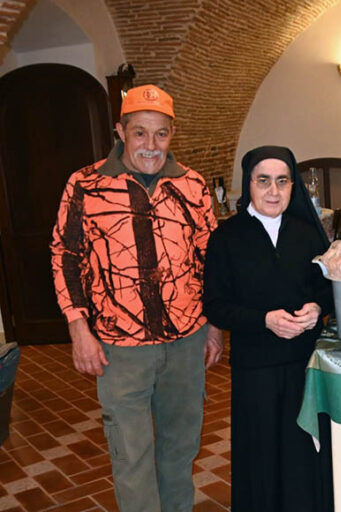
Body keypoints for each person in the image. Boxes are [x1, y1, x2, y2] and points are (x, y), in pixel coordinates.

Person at [50, 84, 223, 511]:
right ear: (120, 131)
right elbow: (65, 256)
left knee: (180, 452)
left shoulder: (192, 185)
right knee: (132, 456)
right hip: (118, 348)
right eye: (140, 132)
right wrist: (78, 328)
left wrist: (214, 326)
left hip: (186, 342)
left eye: (160, 133)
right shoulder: (85, 185)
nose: (150, 144)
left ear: (172, 134)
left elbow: (212, 262)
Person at [203, 146, 334, 511]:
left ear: (293, 186)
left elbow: (329, 286)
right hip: (255, 366)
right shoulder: (227, 237)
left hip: (303, 364)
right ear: (248, 184)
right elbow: (215, 304)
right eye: (264, 181)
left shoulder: (307, 233)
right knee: (260, 456)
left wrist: (317, 307)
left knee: (303, 451)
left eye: (282, 181)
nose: (273, 191)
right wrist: (264, 320)